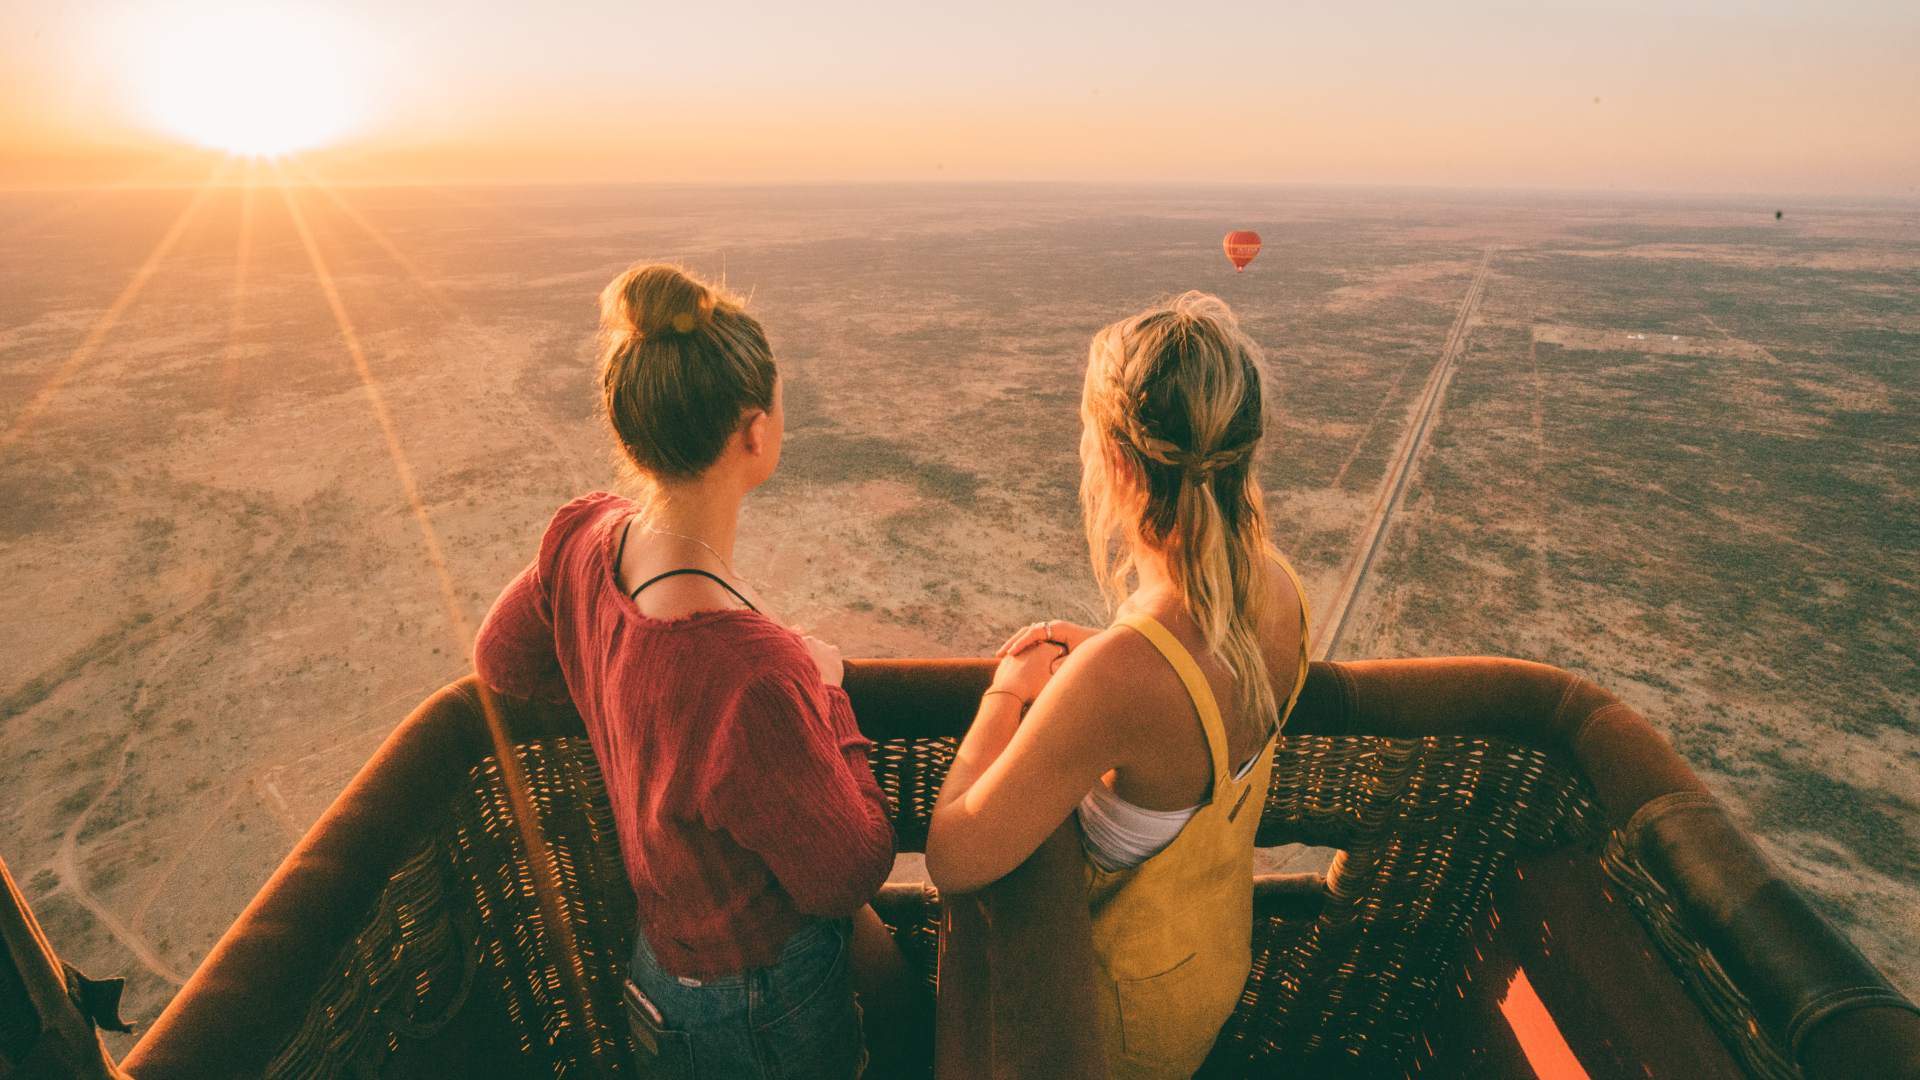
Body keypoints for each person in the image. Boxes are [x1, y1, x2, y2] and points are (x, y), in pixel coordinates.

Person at [474, 263, 911, 1078]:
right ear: (754, 432)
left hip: (659, 971)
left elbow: (501, 659)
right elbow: (846, 871)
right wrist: (829, 696)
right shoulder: (753, 672)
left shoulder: (582, 538)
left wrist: (617, 689)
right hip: (762, 1009)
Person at [925, 291, 1311, 1078]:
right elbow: (1194, 695)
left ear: (1121, 464)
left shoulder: (1121, 677)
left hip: (1110, 1031)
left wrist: (1007, 691)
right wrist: (1114, 661)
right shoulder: (1280, 591)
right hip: (1205, 975)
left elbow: (954, 855)